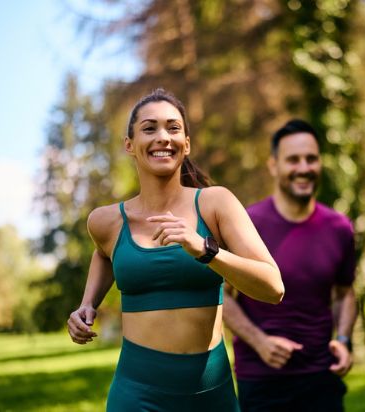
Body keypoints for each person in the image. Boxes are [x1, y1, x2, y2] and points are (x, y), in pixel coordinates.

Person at [66, 88, 284, 411]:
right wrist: (87, 304)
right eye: (149, 128)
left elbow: (273, 287)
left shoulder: (215, 204)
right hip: (137, 395)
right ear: (129, 145)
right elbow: (104, 253)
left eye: (173, 127)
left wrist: (205, 250)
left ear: (187, 143)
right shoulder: (106, 222)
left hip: (211, 395)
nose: (163, 137)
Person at [223, 119, 358, 412]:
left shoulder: (339, 227)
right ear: (273, 165)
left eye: (311, 158)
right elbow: (223, 296)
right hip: (261, 382)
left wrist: (344, 340)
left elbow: (344, 292)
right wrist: (259, 341)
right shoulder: (247, 225)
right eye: (293, 159)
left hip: (322, 379)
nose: (304, 167)